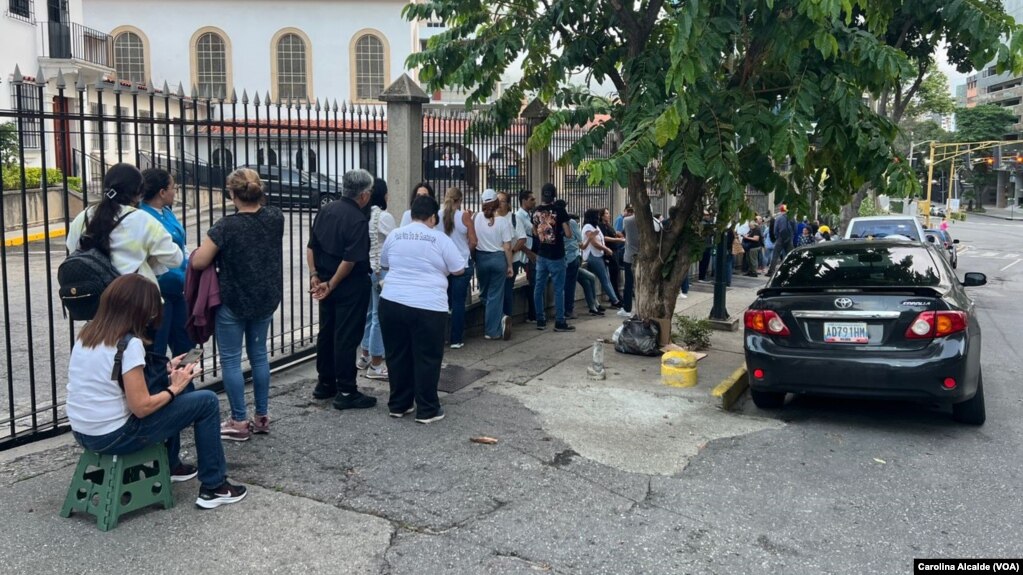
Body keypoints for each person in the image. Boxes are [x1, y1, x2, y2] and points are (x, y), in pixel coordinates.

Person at [66, 274, 246, 509]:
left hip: (83, 432)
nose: (153, 317)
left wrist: (167, 369)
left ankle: (171, 466)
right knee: (207, 402)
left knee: (162, 390)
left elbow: (114, 379)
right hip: (115, 436)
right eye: (151, 311)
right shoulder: (129, 344)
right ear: (139, 311)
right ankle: (214, 487)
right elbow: (141, 408)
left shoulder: (88, 334)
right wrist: (176, 388)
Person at [191, 168, 284, 441]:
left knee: (231, 359)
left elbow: (199, 262)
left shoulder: (225, 227)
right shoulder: (275, 217)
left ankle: (239, 420)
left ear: (232, 194)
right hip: (266, 296)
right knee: (258, 355)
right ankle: (262, 416)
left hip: (234, 298)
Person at [379, 195, 465, 424]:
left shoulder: (395, 235)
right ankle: (427, 409)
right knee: (427, 356)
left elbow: (384, 263)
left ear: (412, 213)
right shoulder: (440, 239)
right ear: (433, 217)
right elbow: (458, 269)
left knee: (397, 354)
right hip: (428, 305)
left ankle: (399, 404)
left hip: (391, 302)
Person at [307, 169, 377, 410]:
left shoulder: (326, 210)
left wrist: (315, 275)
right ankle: (346, 389)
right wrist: (332, 283)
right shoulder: (357, 219)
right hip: (348, 285)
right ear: (365, 195)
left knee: (327, 332)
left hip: (325, 279)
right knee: (346, 336)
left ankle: (325, 383)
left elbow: (311, 246)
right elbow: (350, 260)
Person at [66, 163, 182, 287]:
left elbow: (72, 248)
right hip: (132, 297)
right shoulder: (142, 220)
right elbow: (175, 259)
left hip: (93, 297)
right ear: (138, 193)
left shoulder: (82, 217)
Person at [139, 168, 193, 367]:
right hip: (158, 292)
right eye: (173, 187)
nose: (176, 191)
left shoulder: (167, 212)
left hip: (180, 287)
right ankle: (159, 390)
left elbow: (180, 244)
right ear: (162, 192)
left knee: (187, 343)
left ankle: (186, 384)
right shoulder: (142, 216)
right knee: (158, 348)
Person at [357, 178, 397, 378]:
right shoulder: (383, 216)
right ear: (383, 194)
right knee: (379, 318)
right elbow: (394, 243)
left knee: (370, 314)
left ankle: (364, 355)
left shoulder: (364, 214)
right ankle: (376, 364)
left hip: (367, 269)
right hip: (382, 271)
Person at [531, 183, 574, 332]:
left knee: (538, 288)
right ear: (554, 195)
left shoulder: (535, 212)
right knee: (558, 289)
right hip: (557, 255)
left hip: (542, 255)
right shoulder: (559, 210)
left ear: (542, 194)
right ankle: (560, 322)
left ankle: (540, 320)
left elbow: (535, 233)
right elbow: (569, 234)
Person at [473, 189, 514, 340]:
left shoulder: (476, 218)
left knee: (484, 293)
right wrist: (509, 265)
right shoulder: (503, 222)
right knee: (495, 295)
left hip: (481, 258)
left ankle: (499, 320)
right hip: (498, 259)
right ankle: (493, 330)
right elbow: (507, 247)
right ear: (497, 203)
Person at [441, 186, 478, 349]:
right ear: (460, 200)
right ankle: (456, 339)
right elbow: (473, 241)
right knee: (458, 303)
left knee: (443, 302)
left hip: (443, 265)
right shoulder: (464, 216)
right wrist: (466, 252)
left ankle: (442, 336)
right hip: (462, 263)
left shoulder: (437, 215)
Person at [582, 208, 624, 312]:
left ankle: (594, 304)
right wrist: (606, 249)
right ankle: (615, 301)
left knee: (593, 281)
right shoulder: (588, 227)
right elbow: (595, 242)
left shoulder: (595, 226)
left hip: (598, 255)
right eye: (596, 215)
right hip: (593, 255)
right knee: (604, 278)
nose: (598, 217)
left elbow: (601, 239)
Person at [564, 207, 603, 317]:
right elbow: (583, 246)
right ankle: (594, 304)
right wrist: (590, 238)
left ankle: (593, 306)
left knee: (587, 281)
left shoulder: (569, 236)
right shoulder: (571, 235)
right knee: (589, 278)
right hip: (571, 261)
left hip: (573, 261)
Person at [497, 191, 528, 318]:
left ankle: (507, 317)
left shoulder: (514, 219)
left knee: (507, 290)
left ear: (508, 204)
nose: (499, 204)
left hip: (512, 260)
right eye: (497, 201)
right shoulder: (492, 217)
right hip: (497, 259)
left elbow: (522, 238)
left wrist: (512, 251)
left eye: (502, 201)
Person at [514, 189, 538, 322]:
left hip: (531, 252)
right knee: (533, 283)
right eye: (531, 199)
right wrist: (529, 253)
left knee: (534, 282)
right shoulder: (519, 216)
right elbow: (519, 238)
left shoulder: (529, 215)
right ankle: (532, 314)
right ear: (524, 201)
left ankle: (534, 313)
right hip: (527, 254)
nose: (534, 202)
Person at [599, 207, 625, 301]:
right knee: (613, 275)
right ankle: (615, 296)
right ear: (601, 216)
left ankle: (617, 295)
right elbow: (604, 237)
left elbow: (613, 233)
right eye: (606, 213)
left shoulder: (608, 225)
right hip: (610, 251)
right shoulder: (601, 225)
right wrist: (617, 239)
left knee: (616, 274)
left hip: (615, 250)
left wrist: (618, 235)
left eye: (608, 213)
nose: (608, 215)